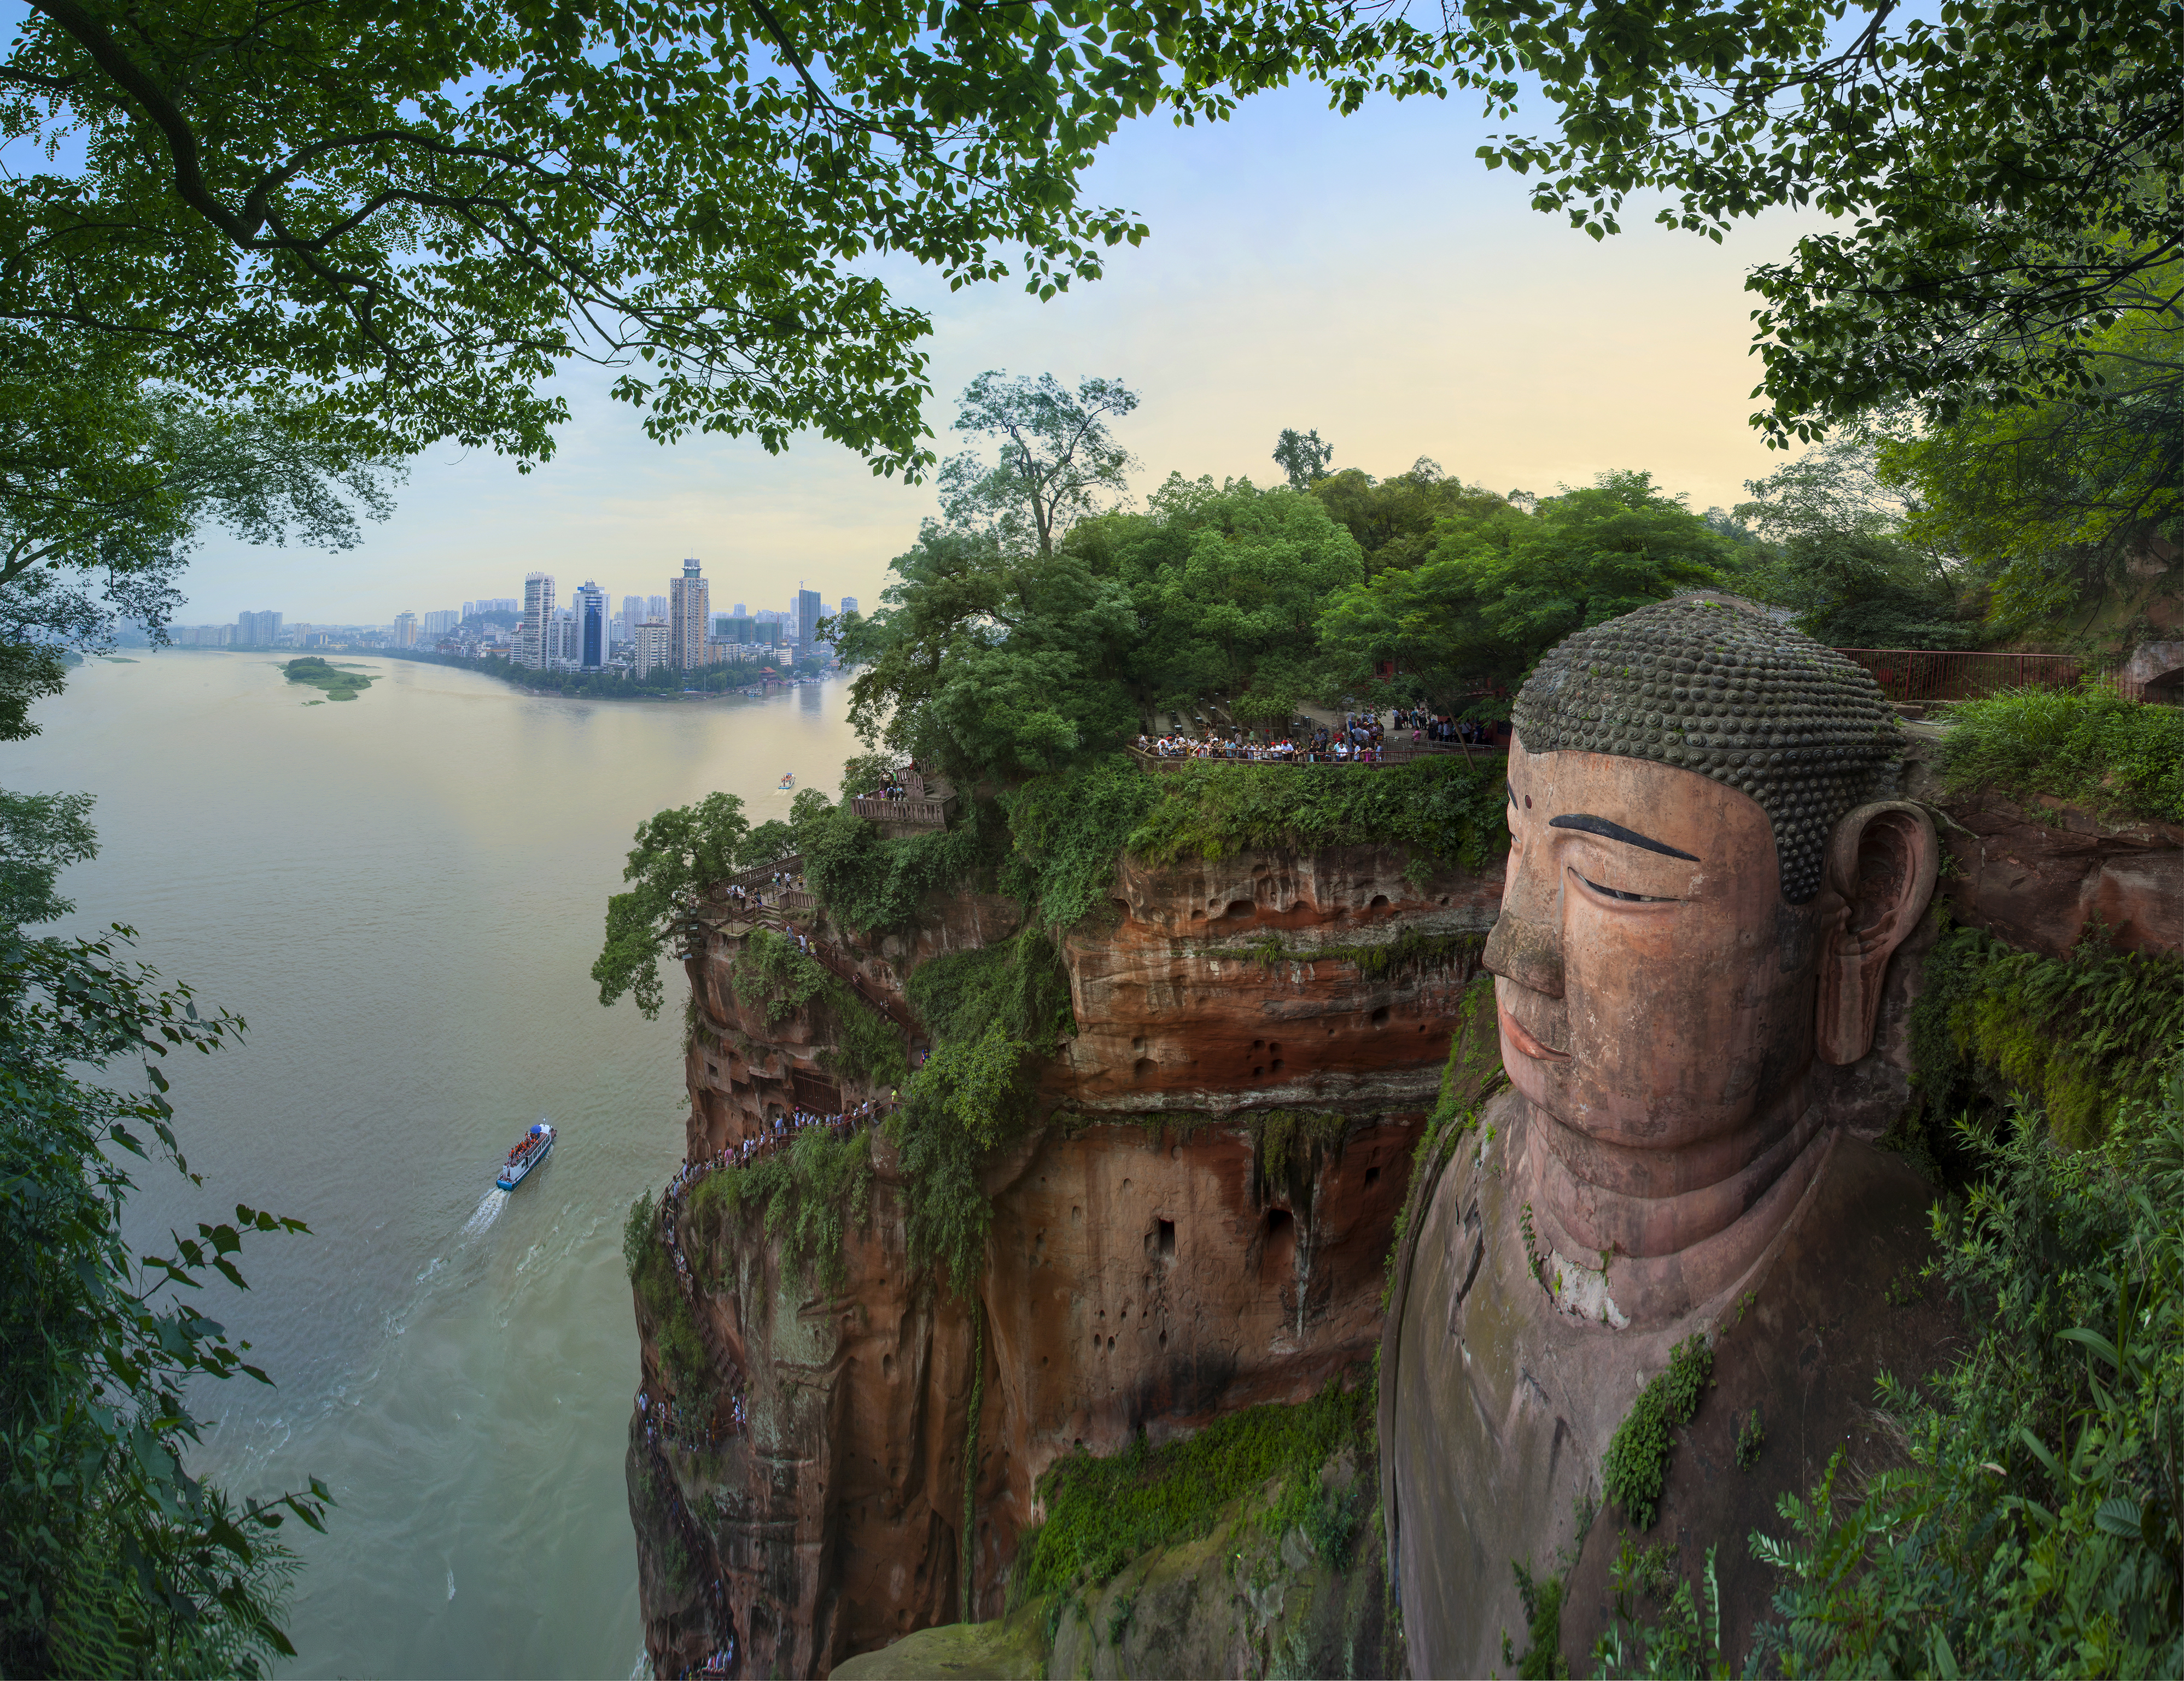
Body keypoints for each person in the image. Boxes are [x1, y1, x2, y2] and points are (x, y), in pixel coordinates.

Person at [1381, 596, 1941, 1674]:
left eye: (1613, 880)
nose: (1515, 949)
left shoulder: (1899, 1342)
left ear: (1862, 907)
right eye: (1516, 845)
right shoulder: (1470, 1168)